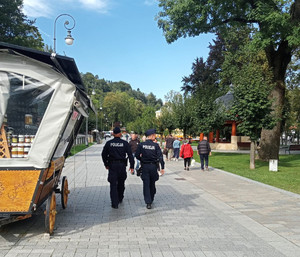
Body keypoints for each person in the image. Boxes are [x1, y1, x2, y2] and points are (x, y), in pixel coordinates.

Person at [101, 127, 134, 209]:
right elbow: (130, 155)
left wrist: (106, 164)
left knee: (113, 184)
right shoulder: (125, 143)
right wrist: (132, 166)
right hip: (122, 165)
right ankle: (120, 197)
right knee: (121, 182)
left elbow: (103, 154)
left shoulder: (109, 143)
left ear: (113, 134)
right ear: (120, 134)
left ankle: (114, 203)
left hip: (112, 165)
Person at [135, 129, 165, 209]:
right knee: (152, 183)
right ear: (151, 136)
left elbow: (137, 155)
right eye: (154, 135)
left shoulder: (141, 145)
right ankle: (151, 198)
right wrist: (162, 167)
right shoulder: (156, 145)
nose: (155, 136)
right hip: (153, 167)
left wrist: (142, 160)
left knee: (146, 184)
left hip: (145, 166)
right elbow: (160, 157)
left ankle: (148, 202)